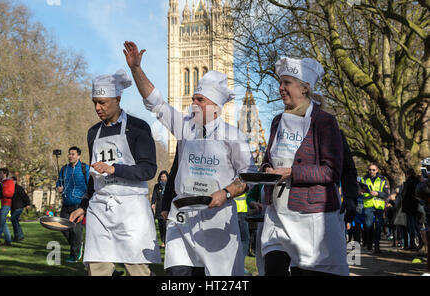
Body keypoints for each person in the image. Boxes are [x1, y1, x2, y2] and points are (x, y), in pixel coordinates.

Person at [123, 41, 257, 276]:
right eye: (194, 98)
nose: (192, 103)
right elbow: (156, 103)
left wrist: (225, 193)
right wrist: (136, 69)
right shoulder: (185, 128)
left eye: (199, 100)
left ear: (215, 106)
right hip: (183, 218)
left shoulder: (233, 136)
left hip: (217, 220)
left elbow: (248, 175)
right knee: (178, 277)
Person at [259, 57, 349, 276]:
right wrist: (266, 171)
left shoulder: (324, 121)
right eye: (280, 83)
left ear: (305, 88)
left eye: (286, 83)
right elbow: (268, 160)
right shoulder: (276, 121)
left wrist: (291, 173)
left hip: (310, 219)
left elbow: (331, 171)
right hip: (277, 217)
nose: (280, 88)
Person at [69, 69, 161, 276]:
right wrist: (83, 205)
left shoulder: (138, 127)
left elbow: (149, 169)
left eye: (103, 102)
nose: (97, 108)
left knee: (137, 270)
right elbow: (94, 177)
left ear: (118, 99)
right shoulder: (93, 133)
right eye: (95, 102)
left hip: (131, 211)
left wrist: (114, 168)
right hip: (100, 210)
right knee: (97, 269)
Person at [56, 146, 90, 263]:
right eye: (69, 154)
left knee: (76, 230)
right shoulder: (64, 169)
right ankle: (77, 244)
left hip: (79, 204)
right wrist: (59, 187)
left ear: (78, 156)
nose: (70, 156)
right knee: (63, 227)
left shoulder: (85, 168)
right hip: (66, 202)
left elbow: (90, 184)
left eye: (73, 154)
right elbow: (59, 181)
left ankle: (74, 256)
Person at [360, 164, 389, 253]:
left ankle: (377, 246)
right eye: (370, 169)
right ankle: (369, 243)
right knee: (368, 226)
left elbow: (386, 194)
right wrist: (360, 192)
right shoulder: (363, 179)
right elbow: (359, 191)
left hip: (379, 206)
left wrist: (377, 194)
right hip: (368, 205)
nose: (371, 171)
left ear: (377, 170)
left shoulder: (383, 180)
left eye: (373, 170)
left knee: (378, 226)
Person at [401, 168, 423, 250]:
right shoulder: (418, 182)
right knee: (417, 225)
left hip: (409, 207)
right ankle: (421, 242)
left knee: (411, 226)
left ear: (408, 174)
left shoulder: (408, 183)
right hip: (417, 206)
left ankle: (413, 244)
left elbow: (403, 195)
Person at [0, 168, 14, 246]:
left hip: (6, 204)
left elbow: (10, 194)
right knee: (3, 223)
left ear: (4, 173)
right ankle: (8, 240)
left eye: (0, 173)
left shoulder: (9, 182)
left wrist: (2, 190)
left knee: (0, 223)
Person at [10, 176, 31, 242]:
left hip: (19, 207)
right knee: (15, 221)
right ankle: (20, 236)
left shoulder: (19, 188)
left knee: (13, 219)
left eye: (12, 181)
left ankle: (17, 236)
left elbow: (25, 196)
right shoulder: (9, 188)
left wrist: (28, 204)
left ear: (15, 181)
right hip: (12, 207)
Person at [151, 170, 168, 248]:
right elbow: (154, 196)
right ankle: (163, 241)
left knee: (166, 226)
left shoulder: (169, 186)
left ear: (167, 177)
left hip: (167, 208)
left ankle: (166, 241)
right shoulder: (157, 186)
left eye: (164, 176)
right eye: (162, 176)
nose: (163, 178)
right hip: (159, 209)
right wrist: (153, 203)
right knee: (161, 226)